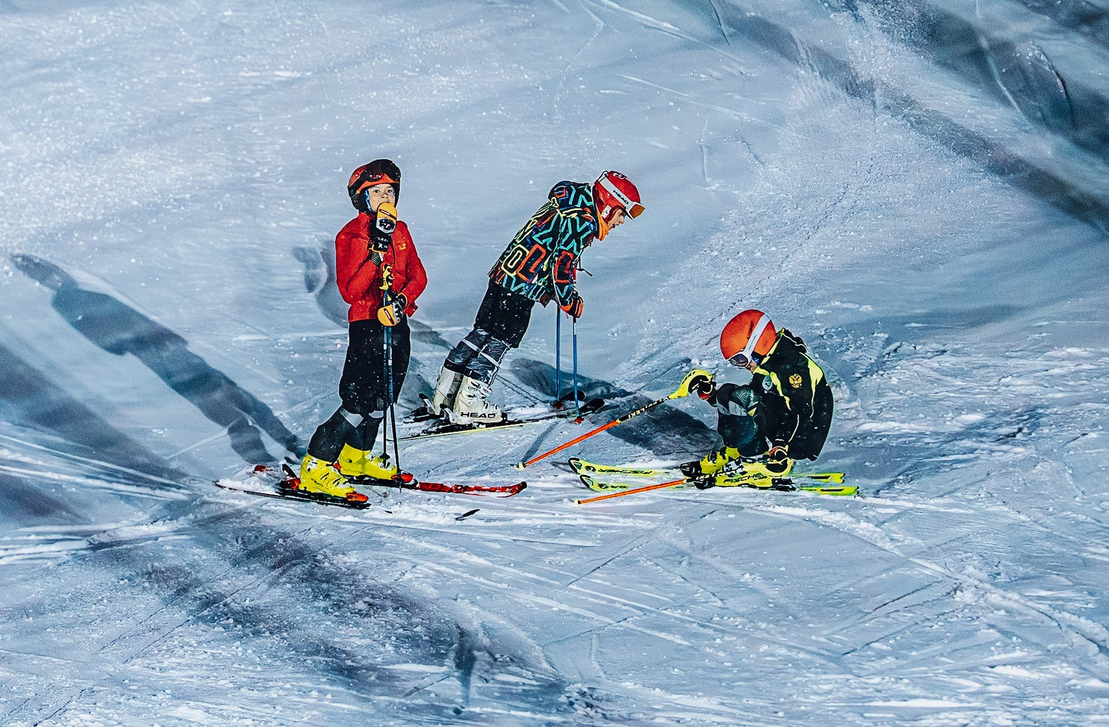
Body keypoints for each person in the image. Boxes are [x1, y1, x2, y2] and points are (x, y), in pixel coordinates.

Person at [423, 171, 642, 426]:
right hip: (522, 283)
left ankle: (445, 396)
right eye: (621, 213)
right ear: (607, 205)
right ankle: (468, 404)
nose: (621, 222)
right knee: (499, 341)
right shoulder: (582, 220)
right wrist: (568, 299)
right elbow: (562, 264)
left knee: (482, 332)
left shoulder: (571, 203)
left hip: (504, 273)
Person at [295, 159, 427, 500]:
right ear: (361, 197)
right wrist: (375, 254)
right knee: (358, 399)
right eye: (376, 191)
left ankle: (356, 457)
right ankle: (317, 465)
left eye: (390, 191)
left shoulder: (402, 231)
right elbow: (351, 292)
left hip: (397, 323)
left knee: (384, 398)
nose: (385, 197)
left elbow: (418, 276)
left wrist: (402, 300)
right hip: (367, 324)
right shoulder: (351, 235)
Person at [679, 309, 834, 489]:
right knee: (727, 392)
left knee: (742, 397)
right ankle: (739, 451)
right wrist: (709, 393)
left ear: (757, 345)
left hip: (803, 436)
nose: (741, 366)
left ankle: (755, 459)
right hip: (785, 425)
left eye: (740, 359)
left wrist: (781, 445)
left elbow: (802, 413)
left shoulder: (792, 369)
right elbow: (755, 398)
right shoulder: (770, 362)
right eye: (735, 362)